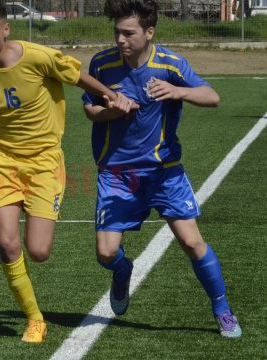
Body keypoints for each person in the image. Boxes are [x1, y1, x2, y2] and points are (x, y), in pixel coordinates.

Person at [0, 0, 135, 342]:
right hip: (2, 163)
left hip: (43, 162)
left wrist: (111, 96)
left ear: (6, 30)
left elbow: (79, 77)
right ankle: (35, 319)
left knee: (38, 251)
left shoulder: (39, 57)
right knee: (9, 244)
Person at [82, 0, 242, 338]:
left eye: (129, 33)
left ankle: (222, 309)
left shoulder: (170, 64)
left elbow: (212, 97)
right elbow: (91, 112)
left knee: (192, 243)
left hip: (164, 172)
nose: (121, 40)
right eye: (117, 33)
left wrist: (177, 91)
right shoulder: (101, 64)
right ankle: (123, 271)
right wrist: (114, 108)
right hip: (117, 174)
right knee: (106, 252)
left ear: (149, 32)